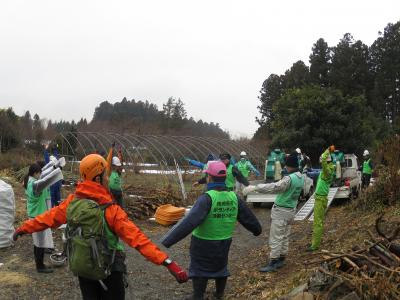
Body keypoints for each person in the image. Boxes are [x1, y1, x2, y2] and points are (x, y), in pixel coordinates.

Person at [13, 154, 188, 300]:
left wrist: (23, 228)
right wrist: (167, 262)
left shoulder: (72, 202)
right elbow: (138, 240)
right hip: (110, 269)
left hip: (84, 267)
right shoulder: (111, 210)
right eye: (105, 175)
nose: (107, 178)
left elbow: (46, 219)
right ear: (97, 178)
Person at [161, 161, 262, 300]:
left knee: (199, 269)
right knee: (221, 266)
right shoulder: (234, 197)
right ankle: (219, 294)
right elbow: (248, 217)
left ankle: (198, 296)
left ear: (209, 177)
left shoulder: (207, 198)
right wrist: (257, 229)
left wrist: (168, 240)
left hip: (203, 242)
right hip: (224, 241)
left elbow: (188, 222)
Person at [243, 152, 304, 272]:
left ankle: (273, 262)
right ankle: (282, 258)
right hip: (291, 210)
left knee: (276, 237)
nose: (285, 167)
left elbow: (275, 187)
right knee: (285, 235)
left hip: (281, 211)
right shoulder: (300, 177)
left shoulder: (289, 178)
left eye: (286, 165)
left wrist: (256, 187)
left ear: (290, 165)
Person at [23, 162, 63, 273]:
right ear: (35, 173)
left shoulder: (30, 181)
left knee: (38, 242)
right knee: (39, 242)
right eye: (39, 173)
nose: (40, 175)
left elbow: (44, 175)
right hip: (37, 216)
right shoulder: (35, 185)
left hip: (35, 214)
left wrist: (54, 167)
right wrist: (57, 171)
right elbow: (46, 180)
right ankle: (40, 266)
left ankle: (39, 264)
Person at [308, 146, 336, 252]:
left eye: (322, 163)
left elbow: (323, 160)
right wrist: (308, 172)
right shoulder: (325, 170)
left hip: (321, 198)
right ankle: (315, 243)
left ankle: (315, 245)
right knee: (317, 221)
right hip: (319, 198)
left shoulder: (328, 170)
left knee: (317, 222)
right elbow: (317, 172)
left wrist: (327, 150)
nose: (321, 164)